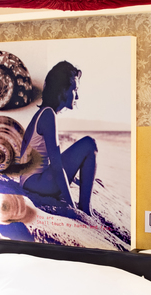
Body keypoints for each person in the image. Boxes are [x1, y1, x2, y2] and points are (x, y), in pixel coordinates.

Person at [18, 60, 97, 214]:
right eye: (74, 89)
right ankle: (85, 209)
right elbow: (57, 166)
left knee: (83, 148)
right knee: (89, 144)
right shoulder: (48, 114)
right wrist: (71, 207)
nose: (77, 96)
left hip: (30, 182)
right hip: (36, 183)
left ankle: (83, 207)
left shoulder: (43, 113)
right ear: (62, 90)